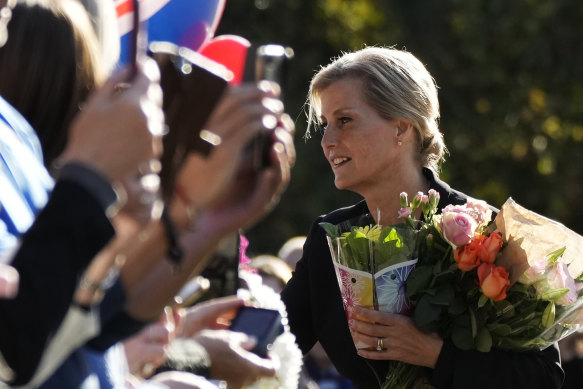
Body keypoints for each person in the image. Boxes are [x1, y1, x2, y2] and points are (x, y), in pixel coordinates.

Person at [280, 46, 563, 389]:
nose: (326, 140)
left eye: (344, 121)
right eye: (325, 124)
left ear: (401, 127)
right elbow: (271, 344)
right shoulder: (329, 238)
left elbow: (544, 378)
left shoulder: (489, 231)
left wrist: (436, 356)